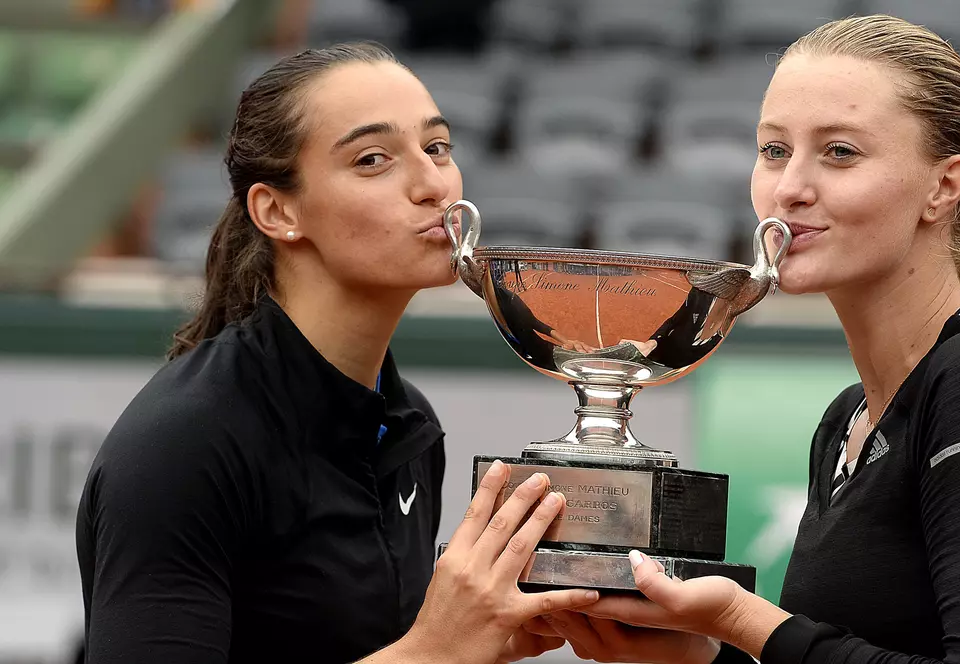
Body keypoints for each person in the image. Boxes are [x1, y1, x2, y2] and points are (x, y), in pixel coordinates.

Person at [532, 15, 960, 664]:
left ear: (944, 185)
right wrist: (700, 655)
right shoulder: (849, 418)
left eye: (840, 152)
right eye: (774, 150)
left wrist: (744, 620)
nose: (789, 189)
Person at [74, 43, 598, 664]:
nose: (434, 186)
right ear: (277, 210)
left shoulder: (406, 423)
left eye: (437, 148)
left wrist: (486, 637)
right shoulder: (183, 443)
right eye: (373, 159)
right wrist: (432, 652)